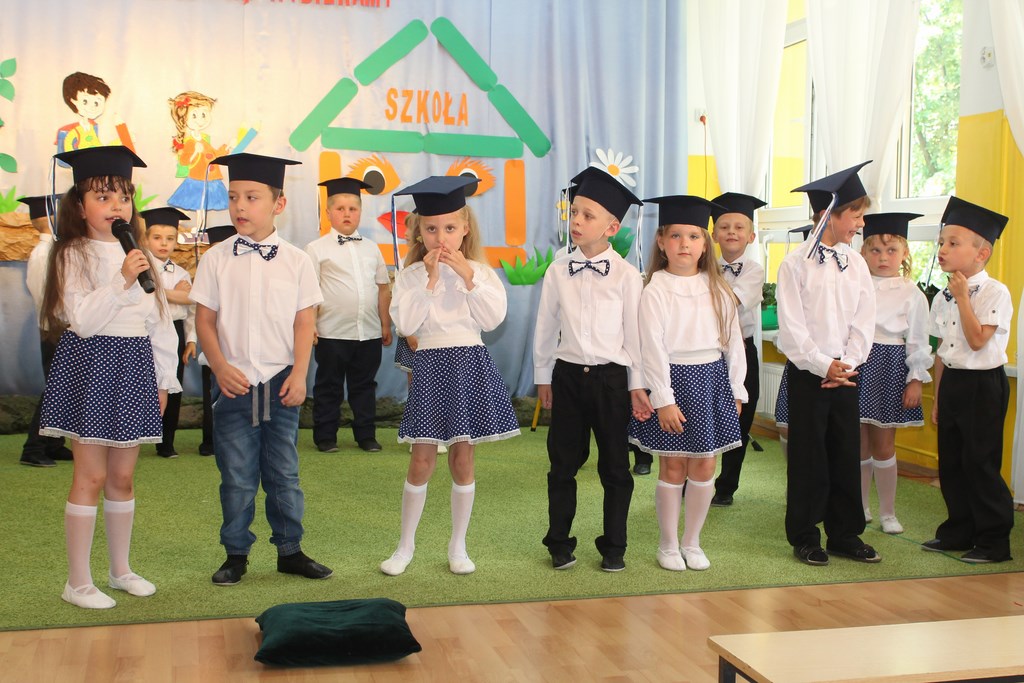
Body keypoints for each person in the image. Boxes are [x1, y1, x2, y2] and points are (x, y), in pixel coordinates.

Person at [38, 146, 181, 609]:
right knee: (92, 475)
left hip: (135, 364)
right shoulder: (71, 253)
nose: (116, 206)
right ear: (80, 207)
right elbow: (81, 319)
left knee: (123, 477)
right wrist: (120, 280)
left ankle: (120, 570)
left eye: (123, 196)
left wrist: (164, 379)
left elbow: (160, 321)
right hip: (91, 362)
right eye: (102, 197)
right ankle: (78, 582)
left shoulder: (141, 255)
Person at [190, 152, 332, 585]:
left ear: (278, 204)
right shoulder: (216, 259)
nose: (240, 206)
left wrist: (300, 374)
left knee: (283, 473)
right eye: (233, 197)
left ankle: (290, 550)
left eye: (252, 197)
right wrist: (219, 367)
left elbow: (304, 322)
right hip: (233, 384)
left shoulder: (297, 261)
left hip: (280, 382)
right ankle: (235, 554)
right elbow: (205, 320)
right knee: (236, 476)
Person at [380, 176, 520, 577]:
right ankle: (405, 546)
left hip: (468, 362)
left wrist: (468, 279)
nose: (441, 238)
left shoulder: (481, 273)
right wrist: (430, 281)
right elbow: (407, 323)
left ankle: (458, 546)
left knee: (463, 457)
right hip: (430, 364)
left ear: (465, 229)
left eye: (450, 228)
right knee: (421, 459)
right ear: (419, 232)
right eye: (431, 229)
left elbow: (492, 320)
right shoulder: (410, 275)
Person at [534, 167, 652, 573]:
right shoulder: (557, 270)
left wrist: (637, 385)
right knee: (562, 464)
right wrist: (543, 376)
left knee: (615, 467)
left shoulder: (627, 276)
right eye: (574, 213)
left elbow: (635, 336)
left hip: (611, 380)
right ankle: (559, 542)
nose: (577, 221)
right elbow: (546, 326)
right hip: (568, 376)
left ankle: (614, 546)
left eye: (587, 215)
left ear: (612, 227)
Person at [629, 196, 746, 572]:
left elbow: (734, 343)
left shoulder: (718, 288)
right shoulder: (655, 289)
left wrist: (737, 389)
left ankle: (692, 542)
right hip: (673, 381)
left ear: (705, 244)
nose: (685, 244)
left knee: (705, 466)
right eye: (676, 236)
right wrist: (662, 399)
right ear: (661, 241)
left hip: (712, 381)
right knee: (673, 467)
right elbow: (651, 347)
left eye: (694, 236)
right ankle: (667, 544)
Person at [779, 161, 879, 566]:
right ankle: (805, 535)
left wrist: (848, 362)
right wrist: (824, 365)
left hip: (847, 373)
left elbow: (864, 321)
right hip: (810, 374)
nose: (861, 223)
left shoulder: (857, 264)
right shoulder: (794, 264)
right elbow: (792, 329)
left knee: (844, 451)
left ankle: (844, 533)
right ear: (827, 215)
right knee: (808, 455)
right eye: (855, 214)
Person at [923, 196, 1013, 563]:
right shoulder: (942, 296)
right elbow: (943, 352)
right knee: (952, 463)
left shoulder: (995, 292)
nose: (942, 250)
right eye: (941, 242)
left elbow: (977, 341)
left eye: (953, 243)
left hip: (983, 386)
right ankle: (958, 532)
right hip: (954, 384)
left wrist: (962, 297)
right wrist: (939, 398)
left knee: (980, 463)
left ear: (981, 253)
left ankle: (993, 541)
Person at [305, 177, 392, 453]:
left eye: (353, 209)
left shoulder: (372, 248)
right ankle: (325, 436)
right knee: (328, 385)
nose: (346, 214)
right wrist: (311, 325)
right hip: (331, 332)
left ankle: (366, 435)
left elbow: (382, 288)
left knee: (364, 385)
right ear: (328, 212)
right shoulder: (316, 249)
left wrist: (385, 324)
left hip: (368, 331)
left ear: (360, 212)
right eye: (340, 208)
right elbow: (309, 292)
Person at [857, 213, 931, 534]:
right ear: (863, 252)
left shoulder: (911, 293)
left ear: (904, 253)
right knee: (859, 443)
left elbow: (918, 340)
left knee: (884, 443)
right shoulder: (855, 286)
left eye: (891, 251)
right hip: (858, 363)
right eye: (875, 250)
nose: (883, 258)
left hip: (890, 366)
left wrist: (915, 379)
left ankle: (888, 512)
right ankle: (861, 507)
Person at [709, 192, 766, 506]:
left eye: (739, 227)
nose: (731, 232)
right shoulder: (704, 267)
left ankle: (726, 485)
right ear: (714, 234)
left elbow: (729, 302)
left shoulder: (754, 270)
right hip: (707, 352)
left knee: (739, 419)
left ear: (751, 236)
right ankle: (695, 478)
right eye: (724, 226)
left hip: (742, 351)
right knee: (703, 415)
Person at [21, 194, 73, 467]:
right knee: (55, 389)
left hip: (61, 325)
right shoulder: (45, 253)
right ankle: (33, 448)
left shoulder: (55, 250)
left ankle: (54, 443)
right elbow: (47, 295)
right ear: (52, 219)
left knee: (63, 389)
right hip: (56, 327)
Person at [141, 207, 193, 458]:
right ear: (146, 239)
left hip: (174, 330)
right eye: (157, 237)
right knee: (143, 383)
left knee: (172, 384)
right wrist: (174, 294)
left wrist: (191, 339)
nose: (164, 244)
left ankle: (166, 442)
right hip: (144, 332)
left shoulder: (181, 273)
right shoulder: (140, 268)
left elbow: (190, 301)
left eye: (170, 238)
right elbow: (145, 296)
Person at [183, 225, 237, 457]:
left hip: (239, 349)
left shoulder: (244, 278)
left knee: (237, 397)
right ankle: (210, 441)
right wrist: (193, 340)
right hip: (213, 349)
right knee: (212, 396)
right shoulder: (206, 276)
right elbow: (197, 315)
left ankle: (235, 441)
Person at [167, 91, 231, 212]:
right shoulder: (189, 142)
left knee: (204, 209)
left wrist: (226, 148)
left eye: (204, 114)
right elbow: (184, 161)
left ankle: (202, 224)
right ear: (184, 119)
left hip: (211, 179)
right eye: (194, 116)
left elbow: (213, 155)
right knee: (199, 207)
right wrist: (195, 152)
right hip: (198, 181)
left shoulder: (203, 139)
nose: (200, 120)